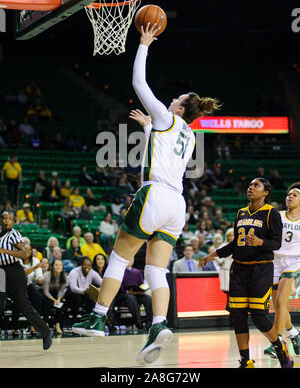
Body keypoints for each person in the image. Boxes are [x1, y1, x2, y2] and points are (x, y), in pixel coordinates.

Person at [72, 23, 220, 365]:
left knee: (120, 259)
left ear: (181, 109)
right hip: (177, 205)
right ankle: (158, 324)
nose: (170, 101)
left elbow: (138, 83)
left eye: (175, 100)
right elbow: (165, 140)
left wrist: (143, 44)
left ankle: (97, 317)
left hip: (153, 195)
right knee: (156, 268)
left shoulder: (166, 118)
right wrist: (149, 127)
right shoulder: (188, 134)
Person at [199, 178, 293, 368]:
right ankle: (246, 360)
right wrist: (213, 255)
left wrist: (260, 243)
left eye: (256, 186)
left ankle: (280, 348)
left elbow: (276, 243)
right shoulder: (241, 212)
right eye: (250, 185)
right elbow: (235, 244)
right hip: (239, 269)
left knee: (259, 316)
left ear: (266, 192)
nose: (251, 188)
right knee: (238, 316)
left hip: (260, 269)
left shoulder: (271, 213)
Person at [0, 211, 52, 350]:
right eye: (4, 218)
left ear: (14, 222)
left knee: (24, 307)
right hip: (1, 273)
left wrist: (5, 251)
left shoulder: (14, 234)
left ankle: (45, 331)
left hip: (14, 272)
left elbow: (24, 253)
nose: (6, 221)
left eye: (10, 219)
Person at [264, 182, 300, 358]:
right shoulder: (277, 216)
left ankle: (277, 343)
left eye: (295, 195)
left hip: (294, 262)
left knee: (280, 303)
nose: (290, 197)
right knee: (278, 306)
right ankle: (293, 333)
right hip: (275, 261)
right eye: (289, 194)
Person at [110, 258, 153, 331]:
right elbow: (117, 286)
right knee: (130, 298)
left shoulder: (137, 272)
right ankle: (138, 323)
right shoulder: (119, 271)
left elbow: (141, 284)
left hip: (136, 293)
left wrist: (141, 290)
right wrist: (127, 291)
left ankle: (149, 322)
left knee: (147, 298)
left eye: (131, 259)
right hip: (123, 295)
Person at [11, 243, 44, 336]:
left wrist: (40, 279)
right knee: (17, 304)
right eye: (25, 250)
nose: (27, 252)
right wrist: (34, 267)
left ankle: (32, 325)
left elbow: (39, 275)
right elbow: (23, 273)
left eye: (29, 250)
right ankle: (14, 327)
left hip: (28, 285)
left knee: (37, 299)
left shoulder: (35, 260)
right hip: (16, 285)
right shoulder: (16, 260)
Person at [65, 257, 102, 323]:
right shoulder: (74, 272)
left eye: (89, 265)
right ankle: (74, 320)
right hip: (71, 293)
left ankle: (86, 320)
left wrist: (100, 288)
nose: (87, 267)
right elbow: (73, 288)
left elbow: (102, 283)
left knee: (91, 298)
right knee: (77, 297)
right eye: (85, 265)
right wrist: (84, 291)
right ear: (81, 265)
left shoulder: (92, 272)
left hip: (84, 293)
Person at [42, 259, 67, 334]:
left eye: (60, 265)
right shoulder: (47, 275)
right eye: (56, 265)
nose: (58, 266)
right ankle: (46, 324)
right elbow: (45, 291)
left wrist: (58, 299)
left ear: (62, 267)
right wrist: (54, 300)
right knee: (45, 303)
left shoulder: (64, 276)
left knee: (60, 305)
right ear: (52, 267)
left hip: (56, 294)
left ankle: (57, 325)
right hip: (46, 294)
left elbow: (61, 291)